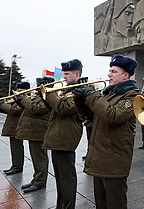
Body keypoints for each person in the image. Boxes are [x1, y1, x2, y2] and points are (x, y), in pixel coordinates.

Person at [72, 54, 139, 208]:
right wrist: (80, 98)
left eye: (114, 71)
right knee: (101, 204)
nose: (109, 74)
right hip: (100, 159)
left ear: (125, 75)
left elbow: (112, 116)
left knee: (116, 204)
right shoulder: (109, 94)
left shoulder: (133, 97)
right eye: (109, 70)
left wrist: (92, 95)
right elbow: (89, 117)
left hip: (114, 161)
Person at [43, 59, 84, 209]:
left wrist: (50, 93)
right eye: (64, 73)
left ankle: (68, 206)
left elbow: (64, 109)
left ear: (77, 74)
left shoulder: (79, 90)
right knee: (60, 177)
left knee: (67, 179)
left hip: (66, 137)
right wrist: (44, 95)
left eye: (67, 74)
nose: (64, 76)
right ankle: (61, 205)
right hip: (58, 135)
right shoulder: (67, 89)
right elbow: (54, 108)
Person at [14, 77, 54, 193]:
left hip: (39, 130)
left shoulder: (48, 96)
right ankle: (36, 179)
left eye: (41, 85)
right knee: (35, 158)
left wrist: (23, 100)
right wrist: (20, 101)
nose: (38, 86)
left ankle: (40, 182)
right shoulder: (38, 95)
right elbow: (29, 107)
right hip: (34, 130)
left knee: (40, 158)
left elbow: (36, 109)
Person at [0, 81, 29, 175]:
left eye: (20, 90)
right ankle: (15, 165)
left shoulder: (26, 99)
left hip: (18, 125)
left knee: (17, 148)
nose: (17, 92)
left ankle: (17, 167)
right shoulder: (19, 99)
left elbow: (14, 110)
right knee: (14, 148)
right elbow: (9, 110)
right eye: (17, 90)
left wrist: (2, 104)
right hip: (13, 125)